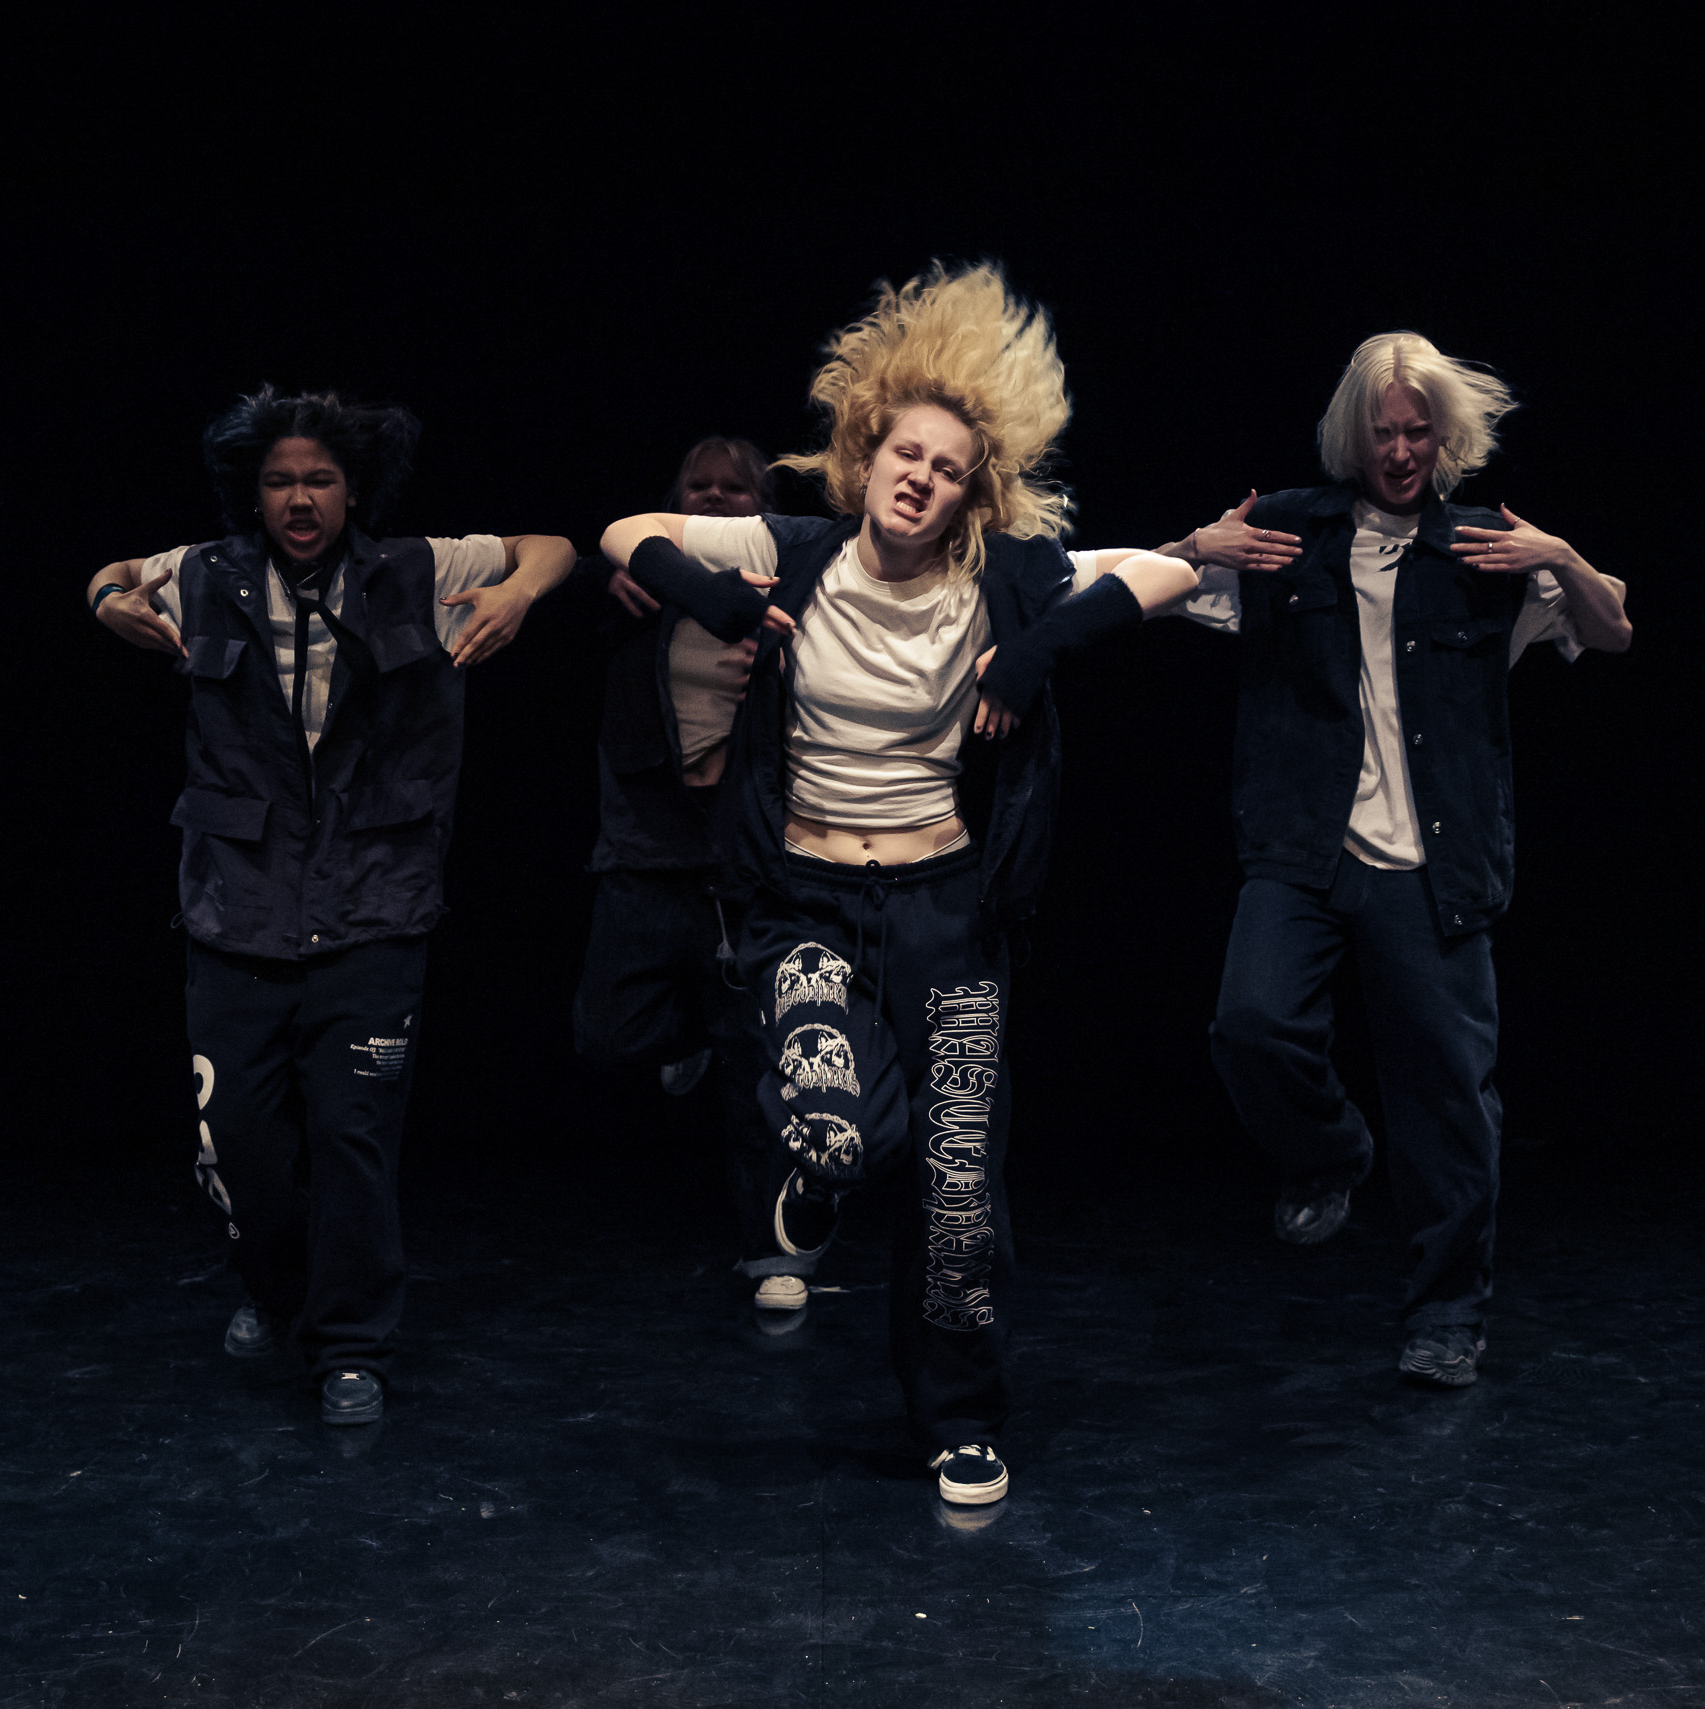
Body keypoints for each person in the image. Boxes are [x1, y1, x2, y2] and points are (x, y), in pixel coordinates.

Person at [599, 263, 1198, 1506]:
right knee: (835, 1120)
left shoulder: (1002, 576)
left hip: (947, 914)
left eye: (949, 467)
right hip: (805, 904)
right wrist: (714, 599)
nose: (921, 477)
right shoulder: (796, 549)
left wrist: (1032, 651)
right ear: (865, 452)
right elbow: (624, 533)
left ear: (974, 489)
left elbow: (1170, 574)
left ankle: (959, 1419)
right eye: (905, 453)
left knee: (960, 1184)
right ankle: (811, 1176)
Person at [85, 387, 574, 1426]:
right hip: (238, 904)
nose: (299, 498)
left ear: (354, 488)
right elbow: (114, 573)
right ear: (252, 492)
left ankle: (351, 1346)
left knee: (355, 1137)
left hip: (373, 901)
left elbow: (553, 545)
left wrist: (519, 593)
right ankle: (278, 1290)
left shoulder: (418, 568)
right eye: (279, 481)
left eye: (318, 479)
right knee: (237, 1145)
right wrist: (105, 599)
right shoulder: (204, 573)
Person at [1161, 333, 1632, 1389]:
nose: (1403, 451)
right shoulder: (1288, 531)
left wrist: (1560, 555)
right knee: (1250, 1022)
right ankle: (1329, 1150)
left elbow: (1612, 632)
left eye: (1420, 431)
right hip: (1306, 845)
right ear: (1354, 436)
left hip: (1434, 863)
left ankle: (1446, 1316)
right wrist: (1193, 546)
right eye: (1385, 432)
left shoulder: (1486, 547)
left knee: (1450, 1100)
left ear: (1444, 435)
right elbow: (1136, 591)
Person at [564, 437, 820, 1311]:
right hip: (647, 844)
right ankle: (688, 1036)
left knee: (761, 1068)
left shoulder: (794, 583)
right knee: (607, 1032)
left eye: (734, 489)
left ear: (764, 505)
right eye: (698, 487)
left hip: (748, 853)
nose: (713, 500)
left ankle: (775, 1253)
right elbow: (569, 578)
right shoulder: (637, 584)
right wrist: (612, 582)